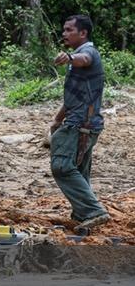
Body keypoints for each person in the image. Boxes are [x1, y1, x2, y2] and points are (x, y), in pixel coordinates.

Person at [49, 14, 111, 233]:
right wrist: (57, 119)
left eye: (69, 30)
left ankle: (93, 211)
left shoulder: (87, 53)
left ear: (83, 33)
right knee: (79, 171)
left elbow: (84, 58)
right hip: (83, 121)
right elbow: (75, 96)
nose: (64, 34)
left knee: (62, 166)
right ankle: (82, 217)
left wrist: (68, 57)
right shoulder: (77, 56)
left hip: (82, 124)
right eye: (64, 30)